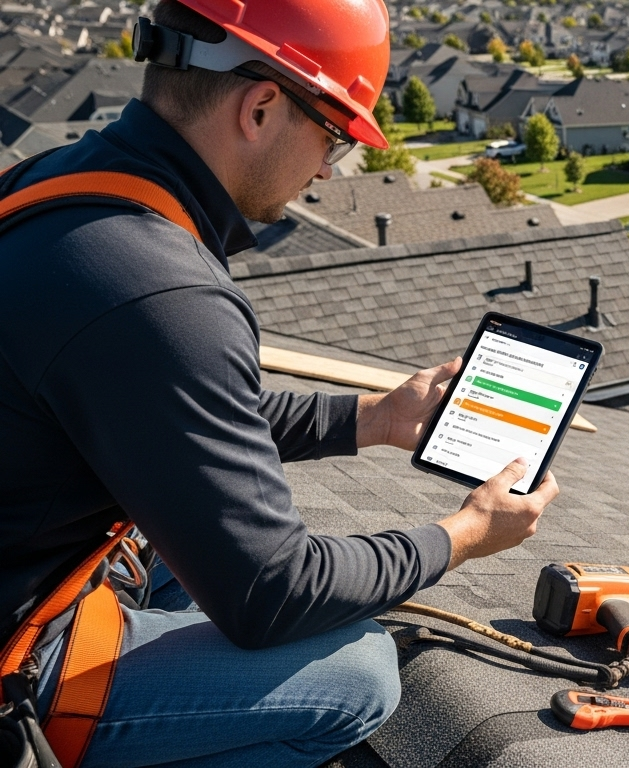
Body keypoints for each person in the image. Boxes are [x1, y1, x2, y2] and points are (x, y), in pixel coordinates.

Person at [0, 0, 558, 764]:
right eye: (334, 135)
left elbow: (179, 407)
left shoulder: (69, 186)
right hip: (15, 652)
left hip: (25, 553)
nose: (330, 166)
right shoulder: (161, 290)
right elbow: (272, 594)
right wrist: (460, 537)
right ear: (261, 106)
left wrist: (374, 417)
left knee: (208, 523)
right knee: (357, 674)